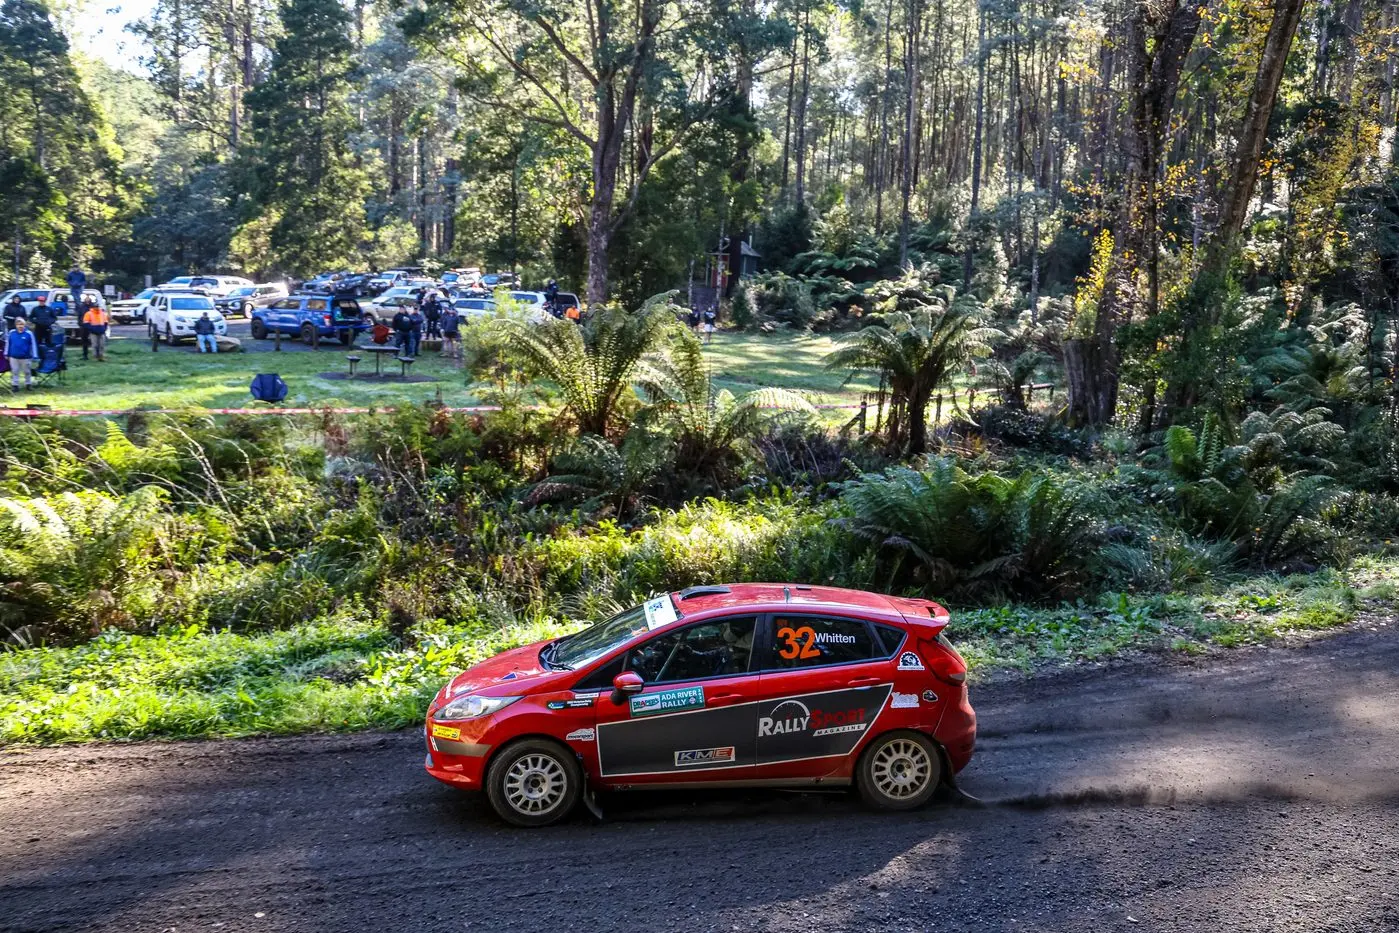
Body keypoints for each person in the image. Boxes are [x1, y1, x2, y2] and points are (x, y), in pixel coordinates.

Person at [6, 318, 38, 390]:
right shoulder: (11, 333)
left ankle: (28, 384)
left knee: (27, 371)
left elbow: (33, 345)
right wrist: (6, 353)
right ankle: (15, 385)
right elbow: (8, 344)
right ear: (15, 325)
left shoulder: (29, 333)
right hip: (13, 356)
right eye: (18, 324)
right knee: (15, 371)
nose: (20, 326)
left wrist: (35, 355)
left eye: (21, 324)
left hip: (25, 357)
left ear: (24, 325)